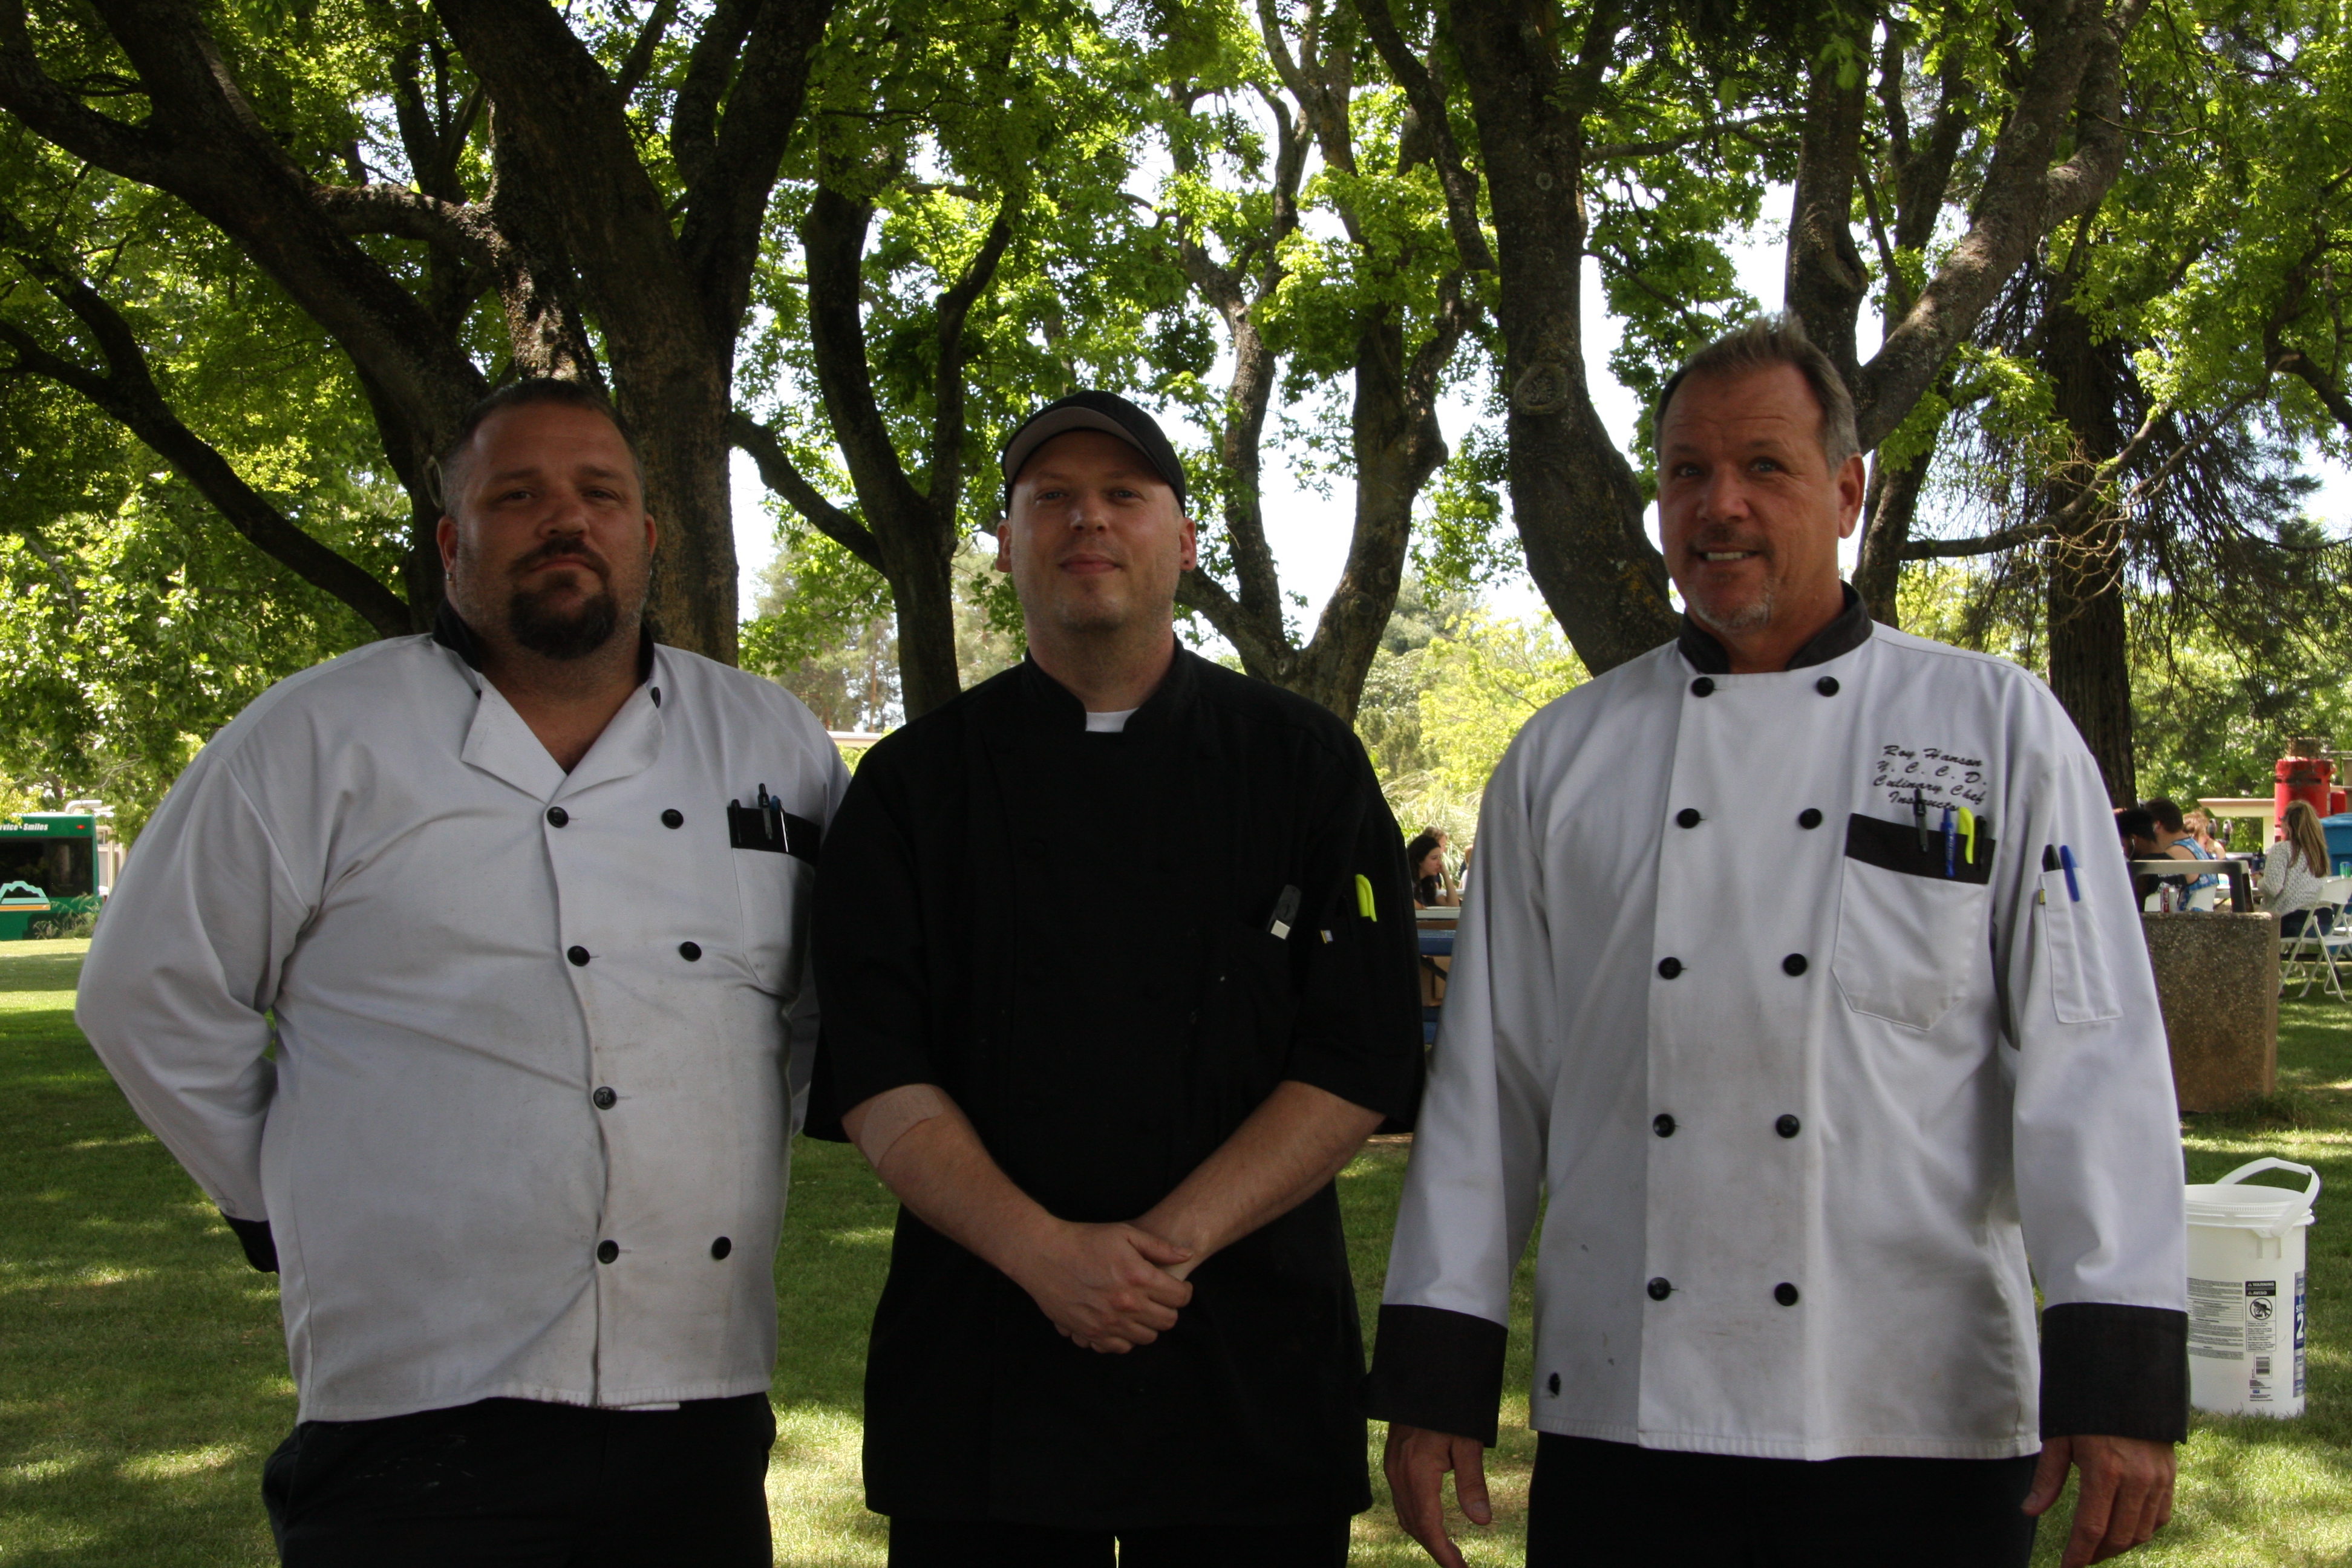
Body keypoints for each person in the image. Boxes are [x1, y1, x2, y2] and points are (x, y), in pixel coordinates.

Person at [1369, 316, 2186, 1568]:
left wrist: (2118, 1376)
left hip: (1919, 1408)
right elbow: (1489, 1089)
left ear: (1848, 492)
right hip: (1626, 1407)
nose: (1720, 505)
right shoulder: (1561, 759)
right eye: (1687, 471)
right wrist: (1438, 1370)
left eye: (1765, 466)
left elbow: (2096, 1057)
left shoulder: (1993, 728)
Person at [76, 379, 849, 1566]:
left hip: (695, 1386)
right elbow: (148, 989)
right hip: (410, 1402)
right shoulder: (318, 737)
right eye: (517, 495)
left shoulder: (772, 741)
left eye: (600, 494)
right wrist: (278, 1198)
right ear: (452, 544)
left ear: (648, 536)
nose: (566, 519)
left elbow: (831, 1000)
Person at [809, 389, 1424, 1565]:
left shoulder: (1305, 767)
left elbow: (1360, 1052)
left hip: (1247, 1366)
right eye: (1052, 498)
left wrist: (1159, 1252)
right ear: (1006, 544)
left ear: (1183, 541)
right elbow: (877, 1068)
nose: (1087, 520)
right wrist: (1047, 1254)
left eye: (1123, 495)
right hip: (984, 1376)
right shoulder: (910, 788)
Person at [2262, 799, 2336, 938]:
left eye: (2282, 819)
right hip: (2323, 923)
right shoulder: (2319, 852)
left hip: (2293, 921)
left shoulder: (2282, 849)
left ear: (2289, 824)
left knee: (2252, 927)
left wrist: (2260, 882)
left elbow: (2272, 888)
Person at [2144, 797, 2220, 910]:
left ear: (2157, 826)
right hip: (2201, 918)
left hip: (2184, 919)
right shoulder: (2193, 846)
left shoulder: (2173, 854)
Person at [1407, 830, 1455, 908]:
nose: (1440, 863)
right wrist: (1423, 909)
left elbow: (1453, 906)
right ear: (1419, 860)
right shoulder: (1406, 882)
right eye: (1434, 858)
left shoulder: (1427, 885)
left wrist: (1445, 874)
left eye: (1440, 857)